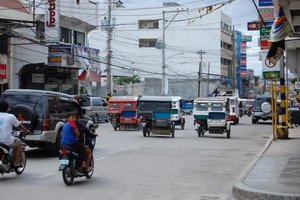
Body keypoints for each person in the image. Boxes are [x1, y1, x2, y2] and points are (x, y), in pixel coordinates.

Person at [0, 100, 30, 167]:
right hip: (6, 141)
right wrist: (26, 131)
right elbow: (20, 126)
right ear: (7, 108)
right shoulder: (10, 116)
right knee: (19, 143)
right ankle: (16, 162)